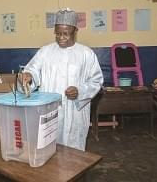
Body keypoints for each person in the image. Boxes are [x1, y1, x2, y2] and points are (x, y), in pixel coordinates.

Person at [19, 8, 104, 151]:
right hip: (50, 110)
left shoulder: (86, 54)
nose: (61, 38)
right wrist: (29, 76)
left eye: (66, 34)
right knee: (49, 151)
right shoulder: (45, 52)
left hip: (74, 112)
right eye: (58, 33)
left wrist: (80, 91)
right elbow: (32, 69)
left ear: (75, 32)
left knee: (73, 154)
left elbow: (96, 80)